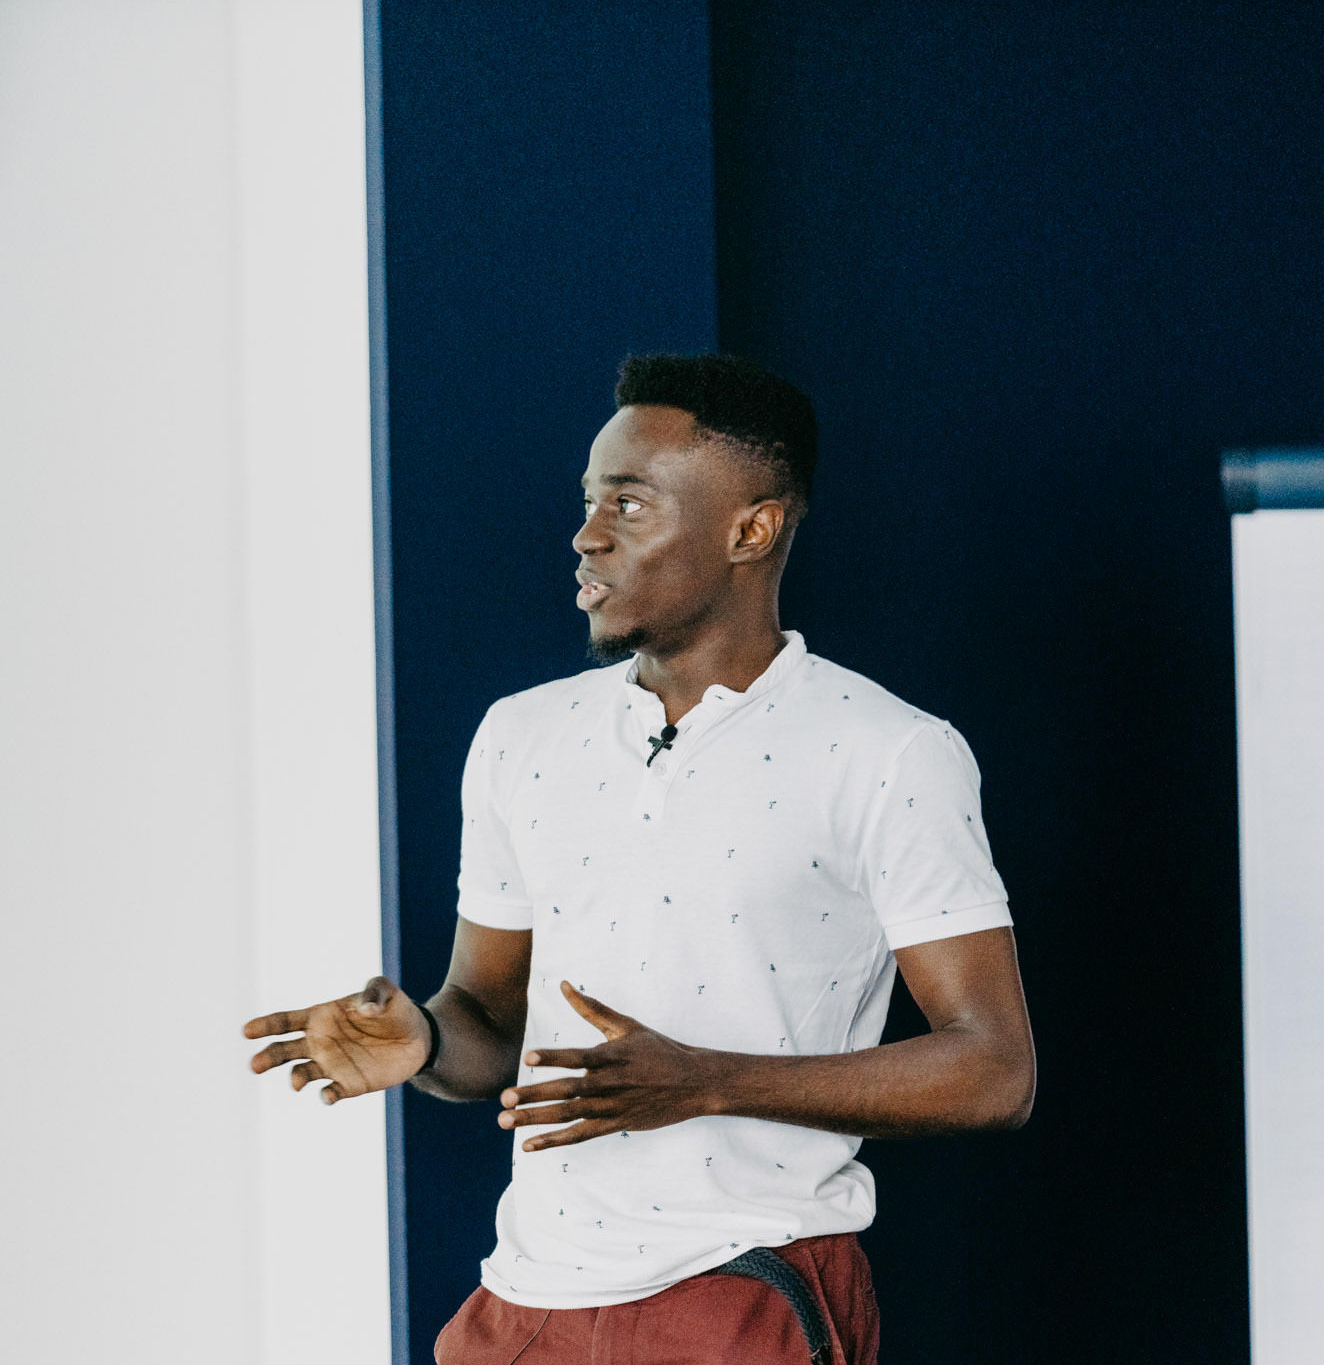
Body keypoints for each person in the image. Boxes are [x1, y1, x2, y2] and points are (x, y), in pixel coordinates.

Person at [244, 353, 1035, 1364]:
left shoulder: (889, 752)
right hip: (522, 1303)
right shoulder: (519, 737)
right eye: (589, 500)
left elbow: (994, 1070)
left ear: (753, 529)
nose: (587, 534)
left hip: (745, 1289)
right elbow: (487, 1019)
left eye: (630, 502)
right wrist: (428, 1045)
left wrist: (708, 1081)